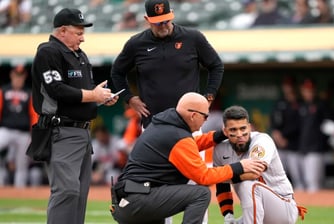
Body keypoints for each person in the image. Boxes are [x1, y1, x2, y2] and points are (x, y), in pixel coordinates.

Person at [110, 92, 266, 224]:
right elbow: (204, 177)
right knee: (201, 193)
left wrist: (218, 135)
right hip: (137, 201)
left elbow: (189, 145)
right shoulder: (177, 135)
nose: (206, 120)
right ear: (193, 115)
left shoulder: (165, 124)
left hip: (133, 197)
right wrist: (239, 166)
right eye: (205, 116)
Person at [31, 8, 118, 224]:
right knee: (66, 192)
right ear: (62, 31)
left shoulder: (79, 55)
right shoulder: (48, 51)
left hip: (83, 133)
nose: (83, 37)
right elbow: (56, 90)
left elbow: (83, 93)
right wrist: (92, 94)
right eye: (78, 32)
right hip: (61, 131)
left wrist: (100, 97)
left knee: (79, 195)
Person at [111, 0, 224, 129]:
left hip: (189, 122)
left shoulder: (192, 37)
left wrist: (208, 97)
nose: (164, 26)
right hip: (153, 122)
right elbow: (117, 72)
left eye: (166, 21)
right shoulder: (136, 43)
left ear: (172, 14)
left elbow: (216, 66)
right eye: (158, 23)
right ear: (147, 19)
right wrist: (129, 98)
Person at [213, 105, 307, 224]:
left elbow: (252, 174)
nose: (239, 134)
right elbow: (222, 186)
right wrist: (228, 215)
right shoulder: (220, 149)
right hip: (257, 212)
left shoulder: (262, 140)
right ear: (225, 131)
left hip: (283, 206)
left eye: (243, 129)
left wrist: (220, 177)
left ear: (249, 127)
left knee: (248, 184)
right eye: (233, 130)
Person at [0, 64, 38, 187]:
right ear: (12, 75)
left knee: (22, 164)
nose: (18, 78)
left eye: (21, 76)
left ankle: (19, 191)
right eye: (16, 76)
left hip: (23, 133)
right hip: (6, 130)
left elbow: (33, 115)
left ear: (24, 77)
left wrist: (33, 134)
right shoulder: (4, 90)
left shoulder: (28, 93)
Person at [297, 78, 332, 192]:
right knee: (307, 182)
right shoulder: (302, 106)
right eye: (307, 90)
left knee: (314, 182)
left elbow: (329, 125)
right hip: (303, 149)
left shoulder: (321, 104)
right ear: (302, 91)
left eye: (311, 90)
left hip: (316, 149)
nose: (309, 93)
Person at [270, 77, 303, 190]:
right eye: (286, 85)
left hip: (295, 146)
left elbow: (301, 125)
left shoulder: (300, 103)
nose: (288, 88)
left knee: (298, 178)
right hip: (280, 146)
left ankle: (307, 201)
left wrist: (287, 138)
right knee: (278, 178)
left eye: (290, 85)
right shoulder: (280, 102)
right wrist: (277, 135)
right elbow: (274, 122)